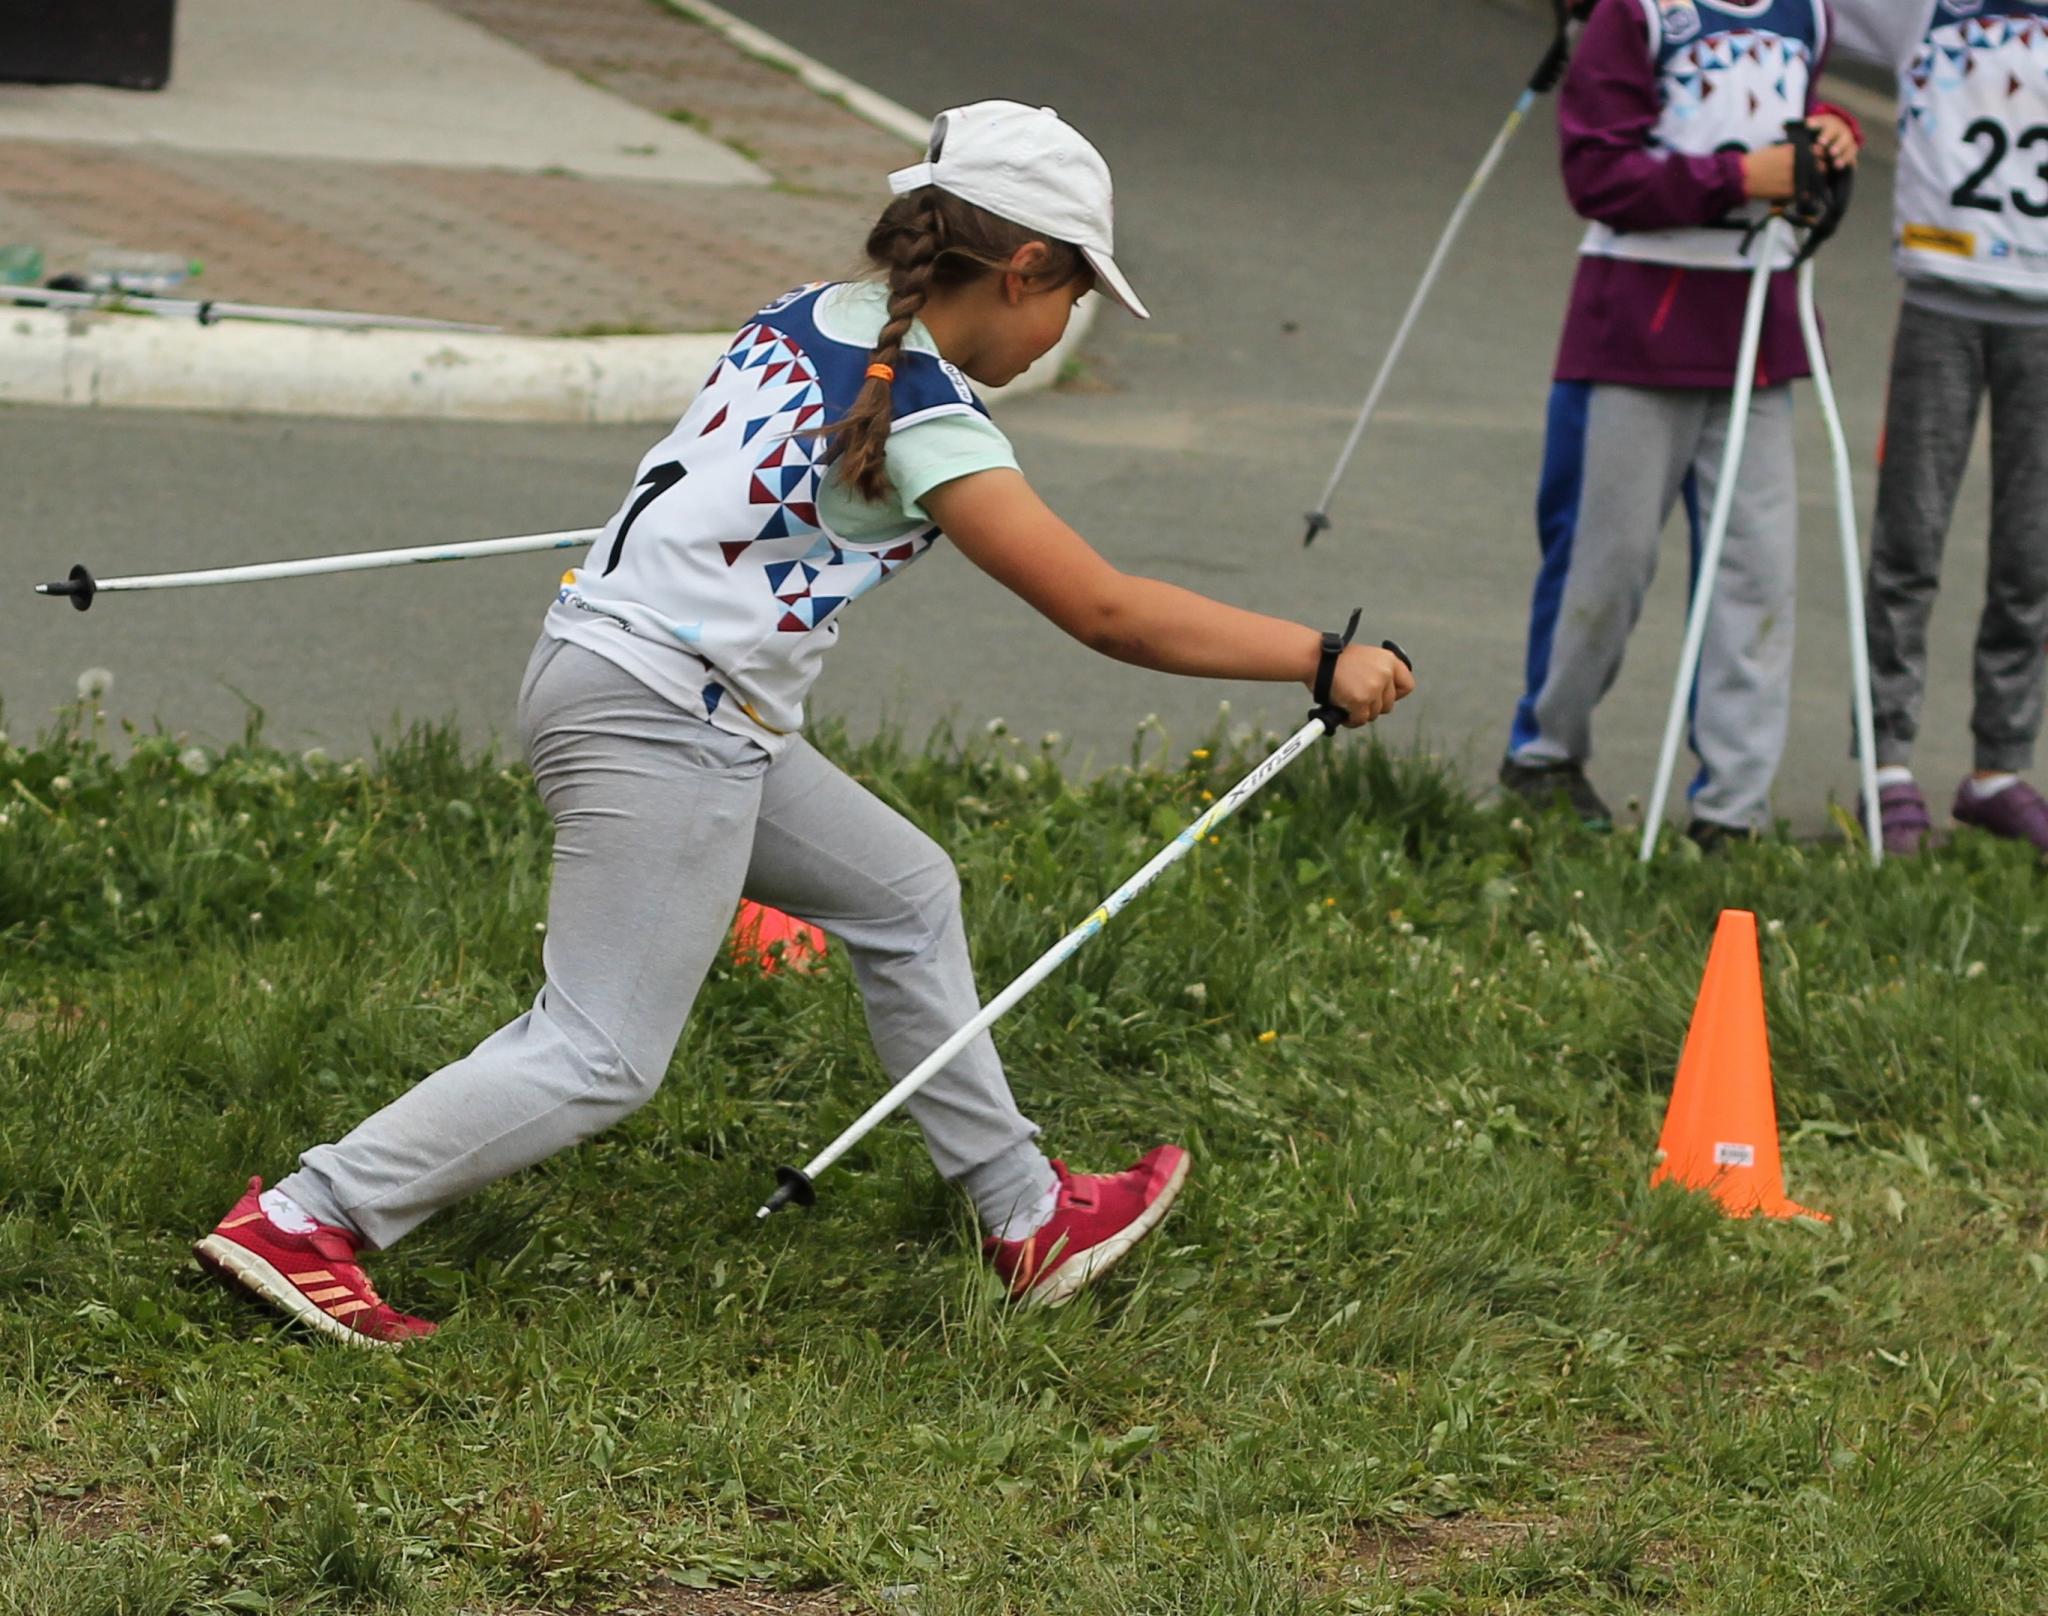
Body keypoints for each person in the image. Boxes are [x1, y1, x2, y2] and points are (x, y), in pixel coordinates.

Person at [191, 100, 1417, 1347]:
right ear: (1021, 268)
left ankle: (1025, 1213)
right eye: (1072, 296)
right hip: (667, 716)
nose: (1061, 330)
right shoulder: (932, 421)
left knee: (902, 891)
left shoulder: (804, 314)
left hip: (616, 676)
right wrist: (1318, 658)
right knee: (601, 1051)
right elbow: (1105, 612)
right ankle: (305, 1216)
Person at [1498, 0, 1862, 849]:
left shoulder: (1805, 13)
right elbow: (1598, 175)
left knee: (1758, 576)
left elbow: (1789, 118)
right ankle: (1546, 755)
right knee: (1606, 563)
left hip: (1759, 334)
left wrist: (1831, 134)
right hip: (1636, 332)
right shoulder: (1639, 14)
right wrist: (1742, 178)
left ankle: (1733, 807)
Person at [1830, 0, 2048, 857]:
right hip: (1938, 302)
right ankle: (1886, 763)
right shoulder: (1920, 10)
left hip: (2043, 315)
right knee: (1910, 541)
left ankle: (2000, 765)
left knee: (2031, 551)